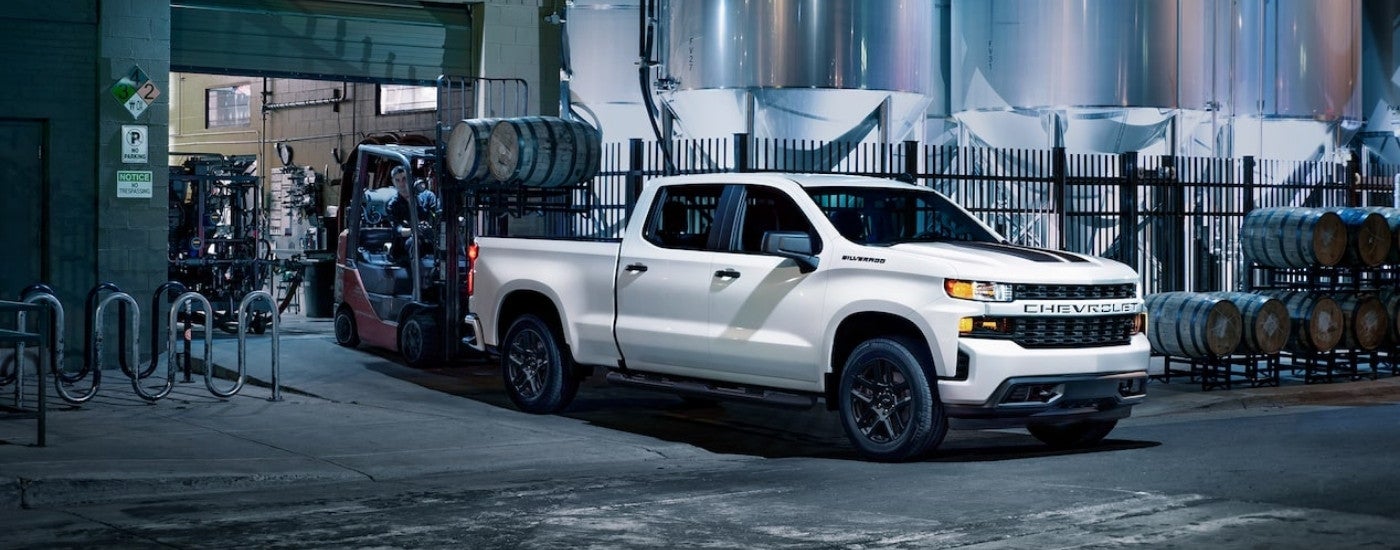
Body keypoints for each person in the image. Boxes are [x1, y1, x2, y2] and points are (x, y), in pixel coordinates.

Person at [384, 165, 440, 262]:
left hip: (429, 239)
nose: (402, 184)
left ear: (411, 178)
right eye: (397, 180)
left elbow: (439, 213)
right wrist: (415, 231)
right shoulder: (393, 204)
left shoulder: (428, 196)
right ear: (393, 182)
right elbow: (397, 230)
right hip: (405, 243)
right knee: (413, 242)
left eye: (404, 178)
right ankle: (416, 274)